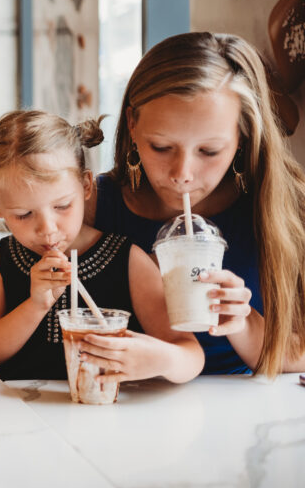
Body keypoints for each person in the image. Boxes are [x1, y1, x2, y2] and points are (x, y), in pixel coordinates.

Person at [92, 31, 305, 377]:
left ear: (243, 135)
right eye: (161, 147)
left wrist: (244, 323)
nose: (182, 174)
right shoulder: (87, 209)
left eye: (209, 151)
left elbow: (299, 353)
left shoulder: (285, 209)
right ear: (132, 124)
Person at [0, 110, 203, 383]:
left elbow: (191, 355)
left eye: (62, 206)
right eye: (24, 214)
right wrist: (35, 305)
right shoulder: (3, 259)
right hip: (18, 414)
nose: (47, 228)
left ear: (86, 186)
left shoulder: (126, 259)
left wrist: (160, 359)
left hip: (105, 417)